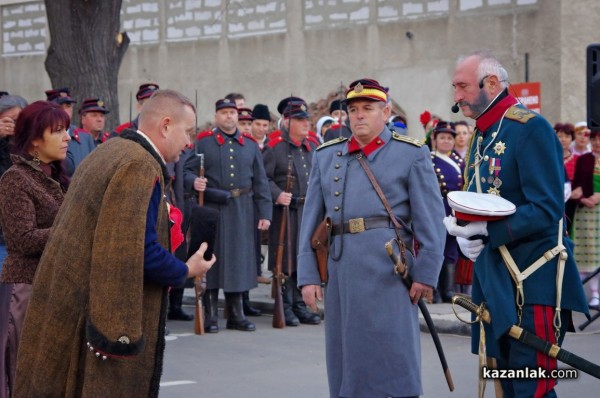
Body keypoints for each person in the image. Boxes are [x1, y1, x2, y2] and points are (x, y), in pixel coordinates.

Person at [13, 90, 215, 397]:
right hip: (90, 315)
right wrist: (186, 269)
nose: (189, 143)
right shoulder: (138, 165)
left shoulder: (112, 151)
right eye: (187, 132)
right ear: (165, 125)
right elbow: (135, 249)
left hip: (71, 304)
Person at [445, 50, 589, 397]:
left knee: (531, 387)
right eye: (455, 88)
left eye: (463, 87)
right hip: (496, 279)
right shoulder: (483, 132)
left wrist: (487, 232)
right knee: (507, 384)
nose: (457, 97)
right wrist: (464, 230)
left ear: (491, 83)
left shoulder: (530, 128)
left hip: (533, 281)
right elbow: (480, 197)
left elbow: (547, 207)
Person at [298, 78, 446, 397]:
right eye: (353, 109)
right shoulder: (327, 156)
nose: (359, 115)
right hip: (342, 272)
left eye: (368, 108)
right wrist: (308, 275)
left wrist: (427, 274)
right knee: (346, 356)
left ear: (386, 111)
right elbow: (310, 222)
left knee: (393, 352)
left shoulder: (411, 154)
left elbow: (430, 221)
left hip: (390, 270)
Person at [0, 101, 71, 398]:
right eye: (58, 131)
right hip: (25, 288)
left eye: (67, 129)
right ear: (34, 140)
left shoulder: (53, 177)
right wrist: (71, 231)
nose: (67, 137)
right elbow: (21, 238)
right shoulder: (15, 179)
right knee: (23, 374)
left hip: (52, 285)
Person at [184, 98, 272, 333]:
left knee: (239, 262)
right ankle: (211, 315)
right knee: (211, 260)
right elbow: (186, 170)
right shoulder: (203, 143)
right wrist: (195, 181)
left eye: (232, 112)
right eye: (224, 112)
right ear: (216, 116)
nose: (229, 117)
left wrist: (265, 213)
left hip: (243, 208)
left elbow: (261, 182)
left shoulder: (250, 145)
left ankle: (236, 314)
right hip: (212, 209)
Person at [264, 97, 321, 327]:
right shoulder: (275, 146)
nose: (306, 124)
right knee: (285, 260)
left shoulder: (312, 147)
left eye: (306, 119)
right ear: (286, 122)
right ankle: (285, 305)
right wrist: (277, 194)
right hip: (286, 213)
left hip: (307, 213)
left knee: (303, 258)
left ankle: (299, 305)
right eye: (300, 120)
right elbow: (263, 178)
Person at [430, 121, 465, 302]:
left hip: (454, 208)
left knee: (451, 249)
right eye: (442, 137)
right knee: (437, 248)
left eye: (449, 138)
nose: (446, 141)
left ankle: (448, 290)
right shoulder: (429, 159)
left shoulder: (459, 161)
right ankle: (434, 290)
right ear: (435, 139)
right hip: (437, 207)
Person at [571, 128, 600, 307]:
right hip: (585, 212)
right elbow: (575, 185)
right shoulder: (584, 159)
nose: (597, 142)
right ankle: (593, 293)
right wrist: (583, 198)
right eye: (594, 139)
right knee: (587, 252)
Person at [46, 87, 96, 176]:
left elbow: (94, 170)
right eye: (60, 106)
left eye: (68, 106)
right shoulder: (44, 135)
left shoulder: (85, 137)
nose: (65, 110)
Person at [555, 122, 578, 234]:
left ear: (572, 139)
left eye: (567, 136)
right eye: (559, 136)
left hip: (572, 201)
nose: (563, 139)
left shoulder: (578, 159)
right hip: (554, 199)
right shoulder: (551, 159)